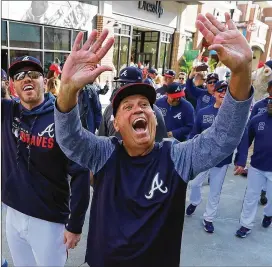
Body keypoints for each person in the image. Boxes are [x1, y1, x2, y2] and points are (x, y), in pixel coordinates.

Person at [54, 13, 253, 267]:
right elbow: (70, 138)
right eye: (127, 106)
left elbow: (222, 138)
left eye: (145, 104)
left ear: (155, 118)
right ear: (115, 124)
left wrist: (242, 72)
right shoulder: (104, 153)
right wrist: (68, 89)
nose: (138, 109)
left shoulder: (175, 158)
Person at [2, 56, 90, 266]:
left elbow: (80, 172)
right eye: (20, 76)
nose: (27, 79)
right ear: (12, 84)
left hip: (49, 220)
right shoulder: (7, 111)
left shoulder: (62, 117)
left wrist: (75, 225)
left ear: (45, 80)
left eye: (33, 74)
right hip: (13, 213)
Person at [186, 81, 247, 233]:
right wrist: (189, 149)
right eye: (220, 90)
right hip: (203, 157)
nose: (222, 94)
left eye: (226, 91)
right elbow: (194, 133)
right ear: (213, 93)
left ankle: (209, 219)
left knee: (215, 190)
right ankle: (195, 201)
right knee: (194, 184)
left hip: (222, 160)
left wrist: (241, 160)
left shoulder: (234, 117)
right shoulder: (203, 112)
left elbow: (242, 138)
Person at [235, 97, 272, 238]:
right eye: (270, 101)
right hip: (257, 166)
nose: (270, 104)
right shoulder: (257, 119)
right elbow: (245, 141)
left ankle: (268, 214)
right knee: (251, 196)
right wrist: (241, 161)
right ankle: (245, 225)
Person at [98, 67, 167, 141]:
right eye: (122, 84)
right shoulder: (110, 108)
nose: (124, 88)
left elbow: (161, 144)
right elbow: (101, 140)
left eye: (128, 84)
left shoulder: (153, 111)